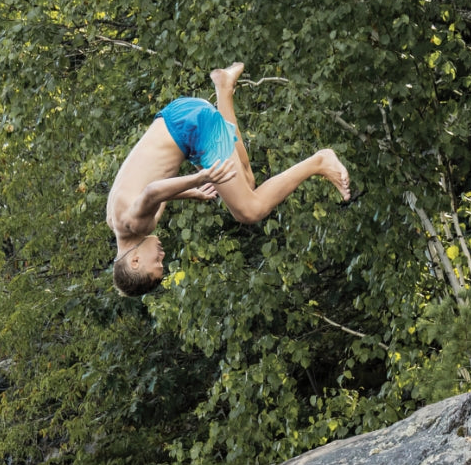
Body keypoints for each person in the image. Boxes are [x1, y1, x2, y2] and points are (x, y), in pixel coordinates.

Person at [107, 62, 350, 296]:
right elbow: (151, 192)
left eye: (157, 263)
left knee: (249, 211)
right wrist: (190, 193)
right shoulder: (116, 221)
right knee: (246, 183)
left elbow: (151, 191)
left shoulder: (136, 226)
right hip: (180, 118)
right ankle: (224, 87)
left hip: (192, 128)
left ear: (136, 261)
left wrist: (198, 178)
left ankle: (319, 161)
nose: (162, 256)